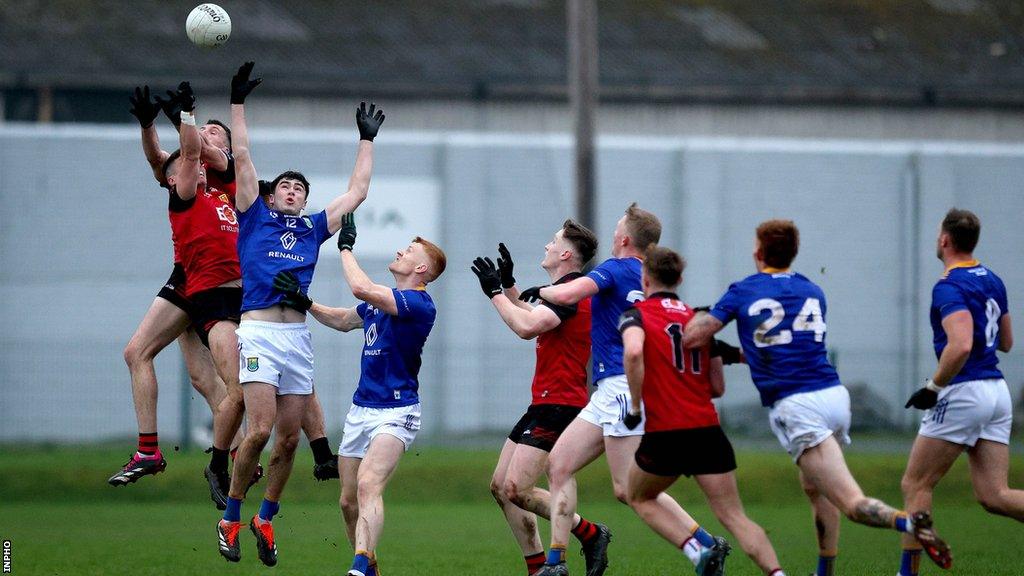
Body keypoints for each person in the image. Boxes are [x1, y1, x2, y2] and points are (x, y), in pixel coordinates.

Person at [682, 219, 952, 575]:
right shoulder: (812, 290)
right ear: (793, 252)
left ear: (759, 252)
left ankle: (908, 522)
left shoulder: (743, 290)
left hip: (798, 405)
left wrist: (698, 315)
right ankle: (823, 570)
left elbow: (692, 338)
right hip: (834, 397)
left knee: (852, 503)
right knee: (813, 486)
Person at [213, 72, 385, 566]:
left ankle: (264, 518)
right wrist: (237, 102)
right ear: (270, 196)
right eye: (285, 186)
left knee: (289, 440)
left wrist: (366, 140)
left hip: (297, 337)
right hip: (261, 331)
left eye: (299, 188)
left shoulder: (312, 228)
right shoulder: (254, 216)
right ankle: (230, 516)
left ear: (306, 200)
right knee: (261, 430)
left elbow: (357, 192)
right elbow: (242, 157)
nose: (292, 191)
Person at [620, 246, 786, 576]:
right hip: (707, 431)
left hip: (665, 434)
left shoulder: (635, 315)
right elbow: (717, 389)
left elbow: (635, 352)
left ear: (645, 278)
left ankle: (698, 554)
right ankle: (778, 574)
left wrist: (636, 406)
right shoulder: (699, 320)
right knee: (735, 517)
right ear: (680, 278)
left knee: (636, 495)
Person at [517, 203, 660, 576]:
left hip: (586, 393)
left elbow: (532, 321)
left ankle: (701, 544)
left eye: (618, 228)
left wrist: (503, 293)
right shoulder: (647, 276)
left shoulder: (605, 274)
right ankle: (555, 561)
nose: (613, 233)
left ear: (625, 238)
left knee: (629, 488)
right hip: (606, 390)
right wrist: (513, 290)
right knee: (541, 474)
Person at [301, 216, 445, 576]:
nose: (401, 251)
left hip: (397, 412)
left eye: (409, 250)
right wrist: (304, 302)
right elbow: (344, 318)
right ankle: (372, 568)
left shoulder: (418, 303)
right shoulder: (384, 303)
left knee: (369, 484)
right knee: (348, 502)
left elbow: (361, 289)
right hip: (361, 410)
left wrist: (345, 247)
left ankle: (359, 567)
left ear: (421, 268)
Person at [108, 85, 232, 486]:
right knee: (156, 361)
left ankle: (237, 454)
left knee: (220, 382)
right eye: (205, 129)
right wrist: (149, 124)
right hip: (188, 280)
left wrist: (187, 117)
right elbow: (160, 158)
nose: (209, 134)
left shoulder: (225, 171)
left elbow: (198, 152)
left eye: (218, 132)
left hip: (224, 285)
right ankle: (149, 450)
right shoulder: (186, 181)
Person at [470, 222, 611, 576]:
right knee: (501, 488)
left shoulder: (570, 294)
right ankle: (538, 568)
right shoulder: (561, 292)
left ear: (565, 254)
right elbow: (532, 315)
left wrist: (494, 294)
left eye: (553, 241)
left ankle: (590, 534)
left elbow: (525, 327)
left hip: (561, 404)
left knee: (518, 488)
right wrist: (509, 287)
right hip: (544, 402)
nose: (547, 245)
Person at [898, 208, 1019, 576]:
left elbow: (962, 344)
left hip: (965, 391)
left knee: (915, 483)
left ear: (945, 240)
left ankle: (907, 574)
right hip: (997, 392)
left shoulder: (949, 285)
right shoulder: (993, 279)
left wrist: (933, 386)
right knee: (994, 496)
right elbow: (1007, 342)